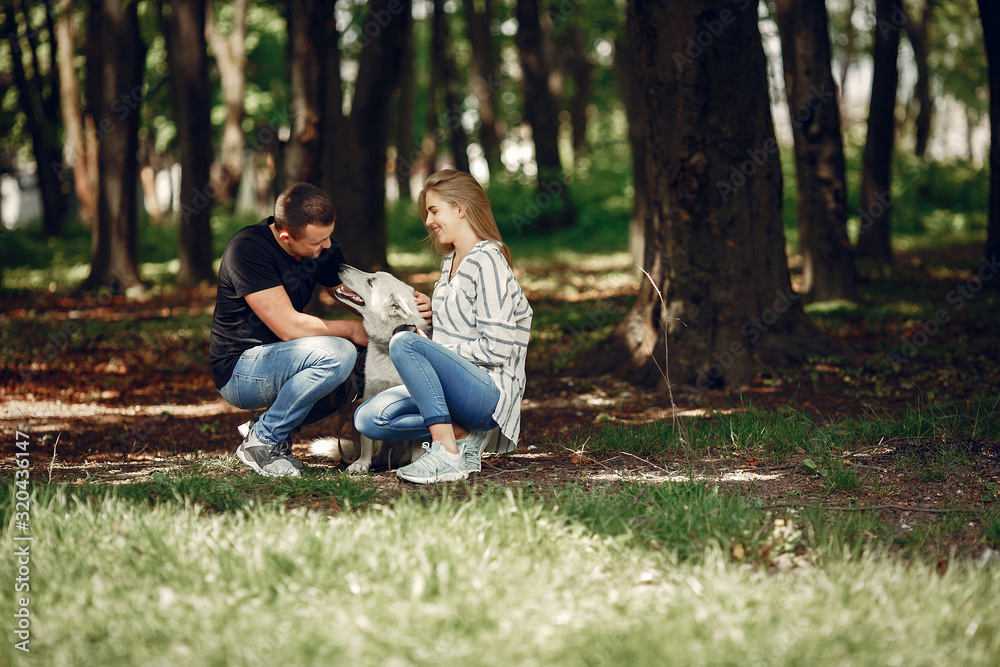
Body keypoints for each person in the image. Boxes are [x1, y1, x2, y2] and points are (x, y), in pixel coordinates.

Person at [209, 182, 430, 477]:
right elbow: (289, 326)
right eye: (318, 241)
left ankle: (266, 428)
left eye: (329, 236)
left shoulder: (320, 248)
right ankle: (263, 440)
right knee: (338, 353)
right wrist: (352, 330)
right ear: (286, 237)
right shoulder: (247, 250)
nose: (327, 246)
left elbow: (357, 297)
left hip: (291, 359)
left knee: (367, 364)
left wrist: (408, 315)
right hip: (242, 370)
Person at [354, 169, 533, 484]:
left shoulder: (488, 259)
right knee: (369, 418)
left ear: (460, 209)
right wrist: (434, 315)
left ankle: (447, 452)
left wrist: (432, 349)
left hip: (487, 394)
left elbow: (497, 346)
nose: (428, 220)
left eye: (434, 210)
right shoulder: (450, 262)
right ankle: (463, 435)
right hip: (455, 390)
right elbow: (462, 327)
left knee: (402, 341)